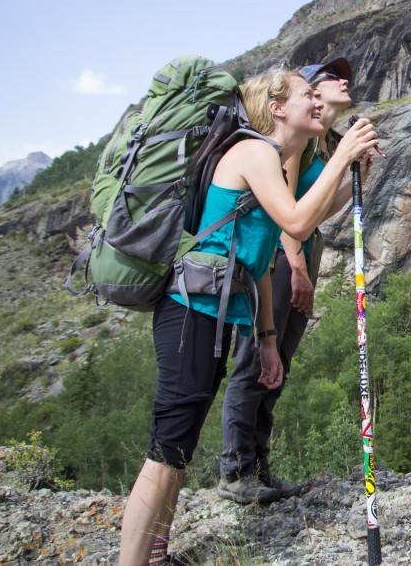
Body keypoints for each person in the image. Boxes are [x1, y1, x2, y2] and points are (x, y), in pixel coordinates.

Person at [118, 67, 379, 566]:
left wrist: (265, 338)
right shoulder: (255, 150)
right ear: (277, 108)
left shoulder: (273, 156)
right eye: (308, 94)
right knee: (166, 452)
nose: (317, 102)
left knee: (179, 448)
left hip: (210, 315)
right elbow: (297, 224)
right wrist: (342, 154)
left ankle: (156, 555)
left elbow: (258, 258)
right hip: (190, 314)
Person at [217, 57, 368, 503]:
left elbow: (319, 208)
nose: (345, 80)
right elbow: (284, 209)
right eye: (332, 77)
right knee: (258, 356)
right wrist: (296, 263)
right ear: (312, 91)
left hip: (301, 247)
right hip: (283, 256)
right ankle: (235, 468)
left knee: (277, 359)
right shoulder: (297, 143)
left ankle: (258, 465)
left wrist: (356, 171)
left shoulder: (322, 142)